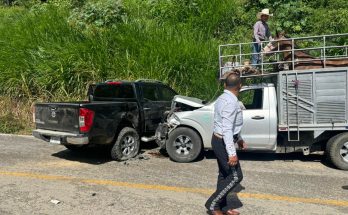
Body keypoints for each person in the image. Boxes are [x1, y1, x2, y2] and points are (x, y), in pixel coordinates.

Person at [205, 72, 247, 215]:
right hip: (222, 141)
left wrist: (239, 138)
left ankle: (222, 207)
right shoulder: (231, 103)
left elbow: (232, 125)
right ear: (240, 86)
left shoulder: (222, 98)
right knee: (236, 176)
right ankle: (212, 204)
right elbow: (227, 129)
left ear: (225, 85)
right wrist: (232, 153)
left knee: (224, 175)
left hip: (218, 140)